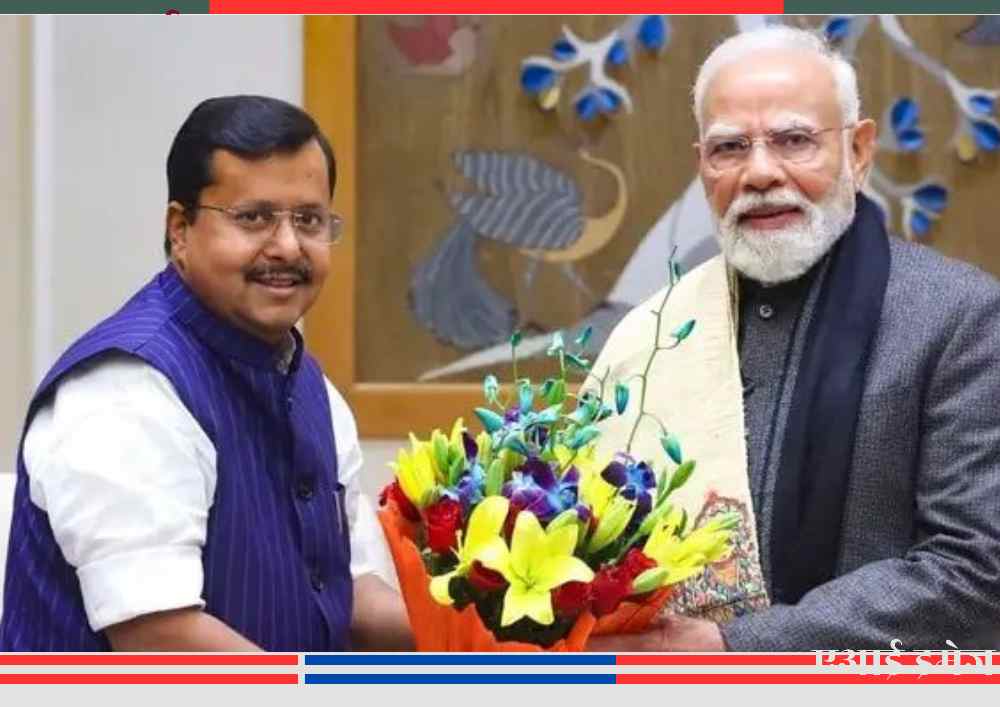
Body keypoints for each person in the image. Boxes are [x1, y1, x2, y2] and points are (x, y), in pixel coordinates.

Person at [587, 27, 1000, 651]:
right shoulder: (654, 333)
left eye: (794, 140)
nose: (759, 172)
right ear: (703, 164)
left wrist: (739, 647)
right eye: (730, 147)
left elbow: (976, 570)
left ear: (858, 151)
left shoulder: (957, 317)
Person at [0, 95, 412, 651]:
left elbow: (348, 591)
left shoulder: (309, 386)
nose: (287, 246)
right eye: (253, 218)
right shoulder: (125, 390)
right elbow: (160, 638)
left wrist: (498, 640)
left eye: (309, 220)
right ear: (180, 229)